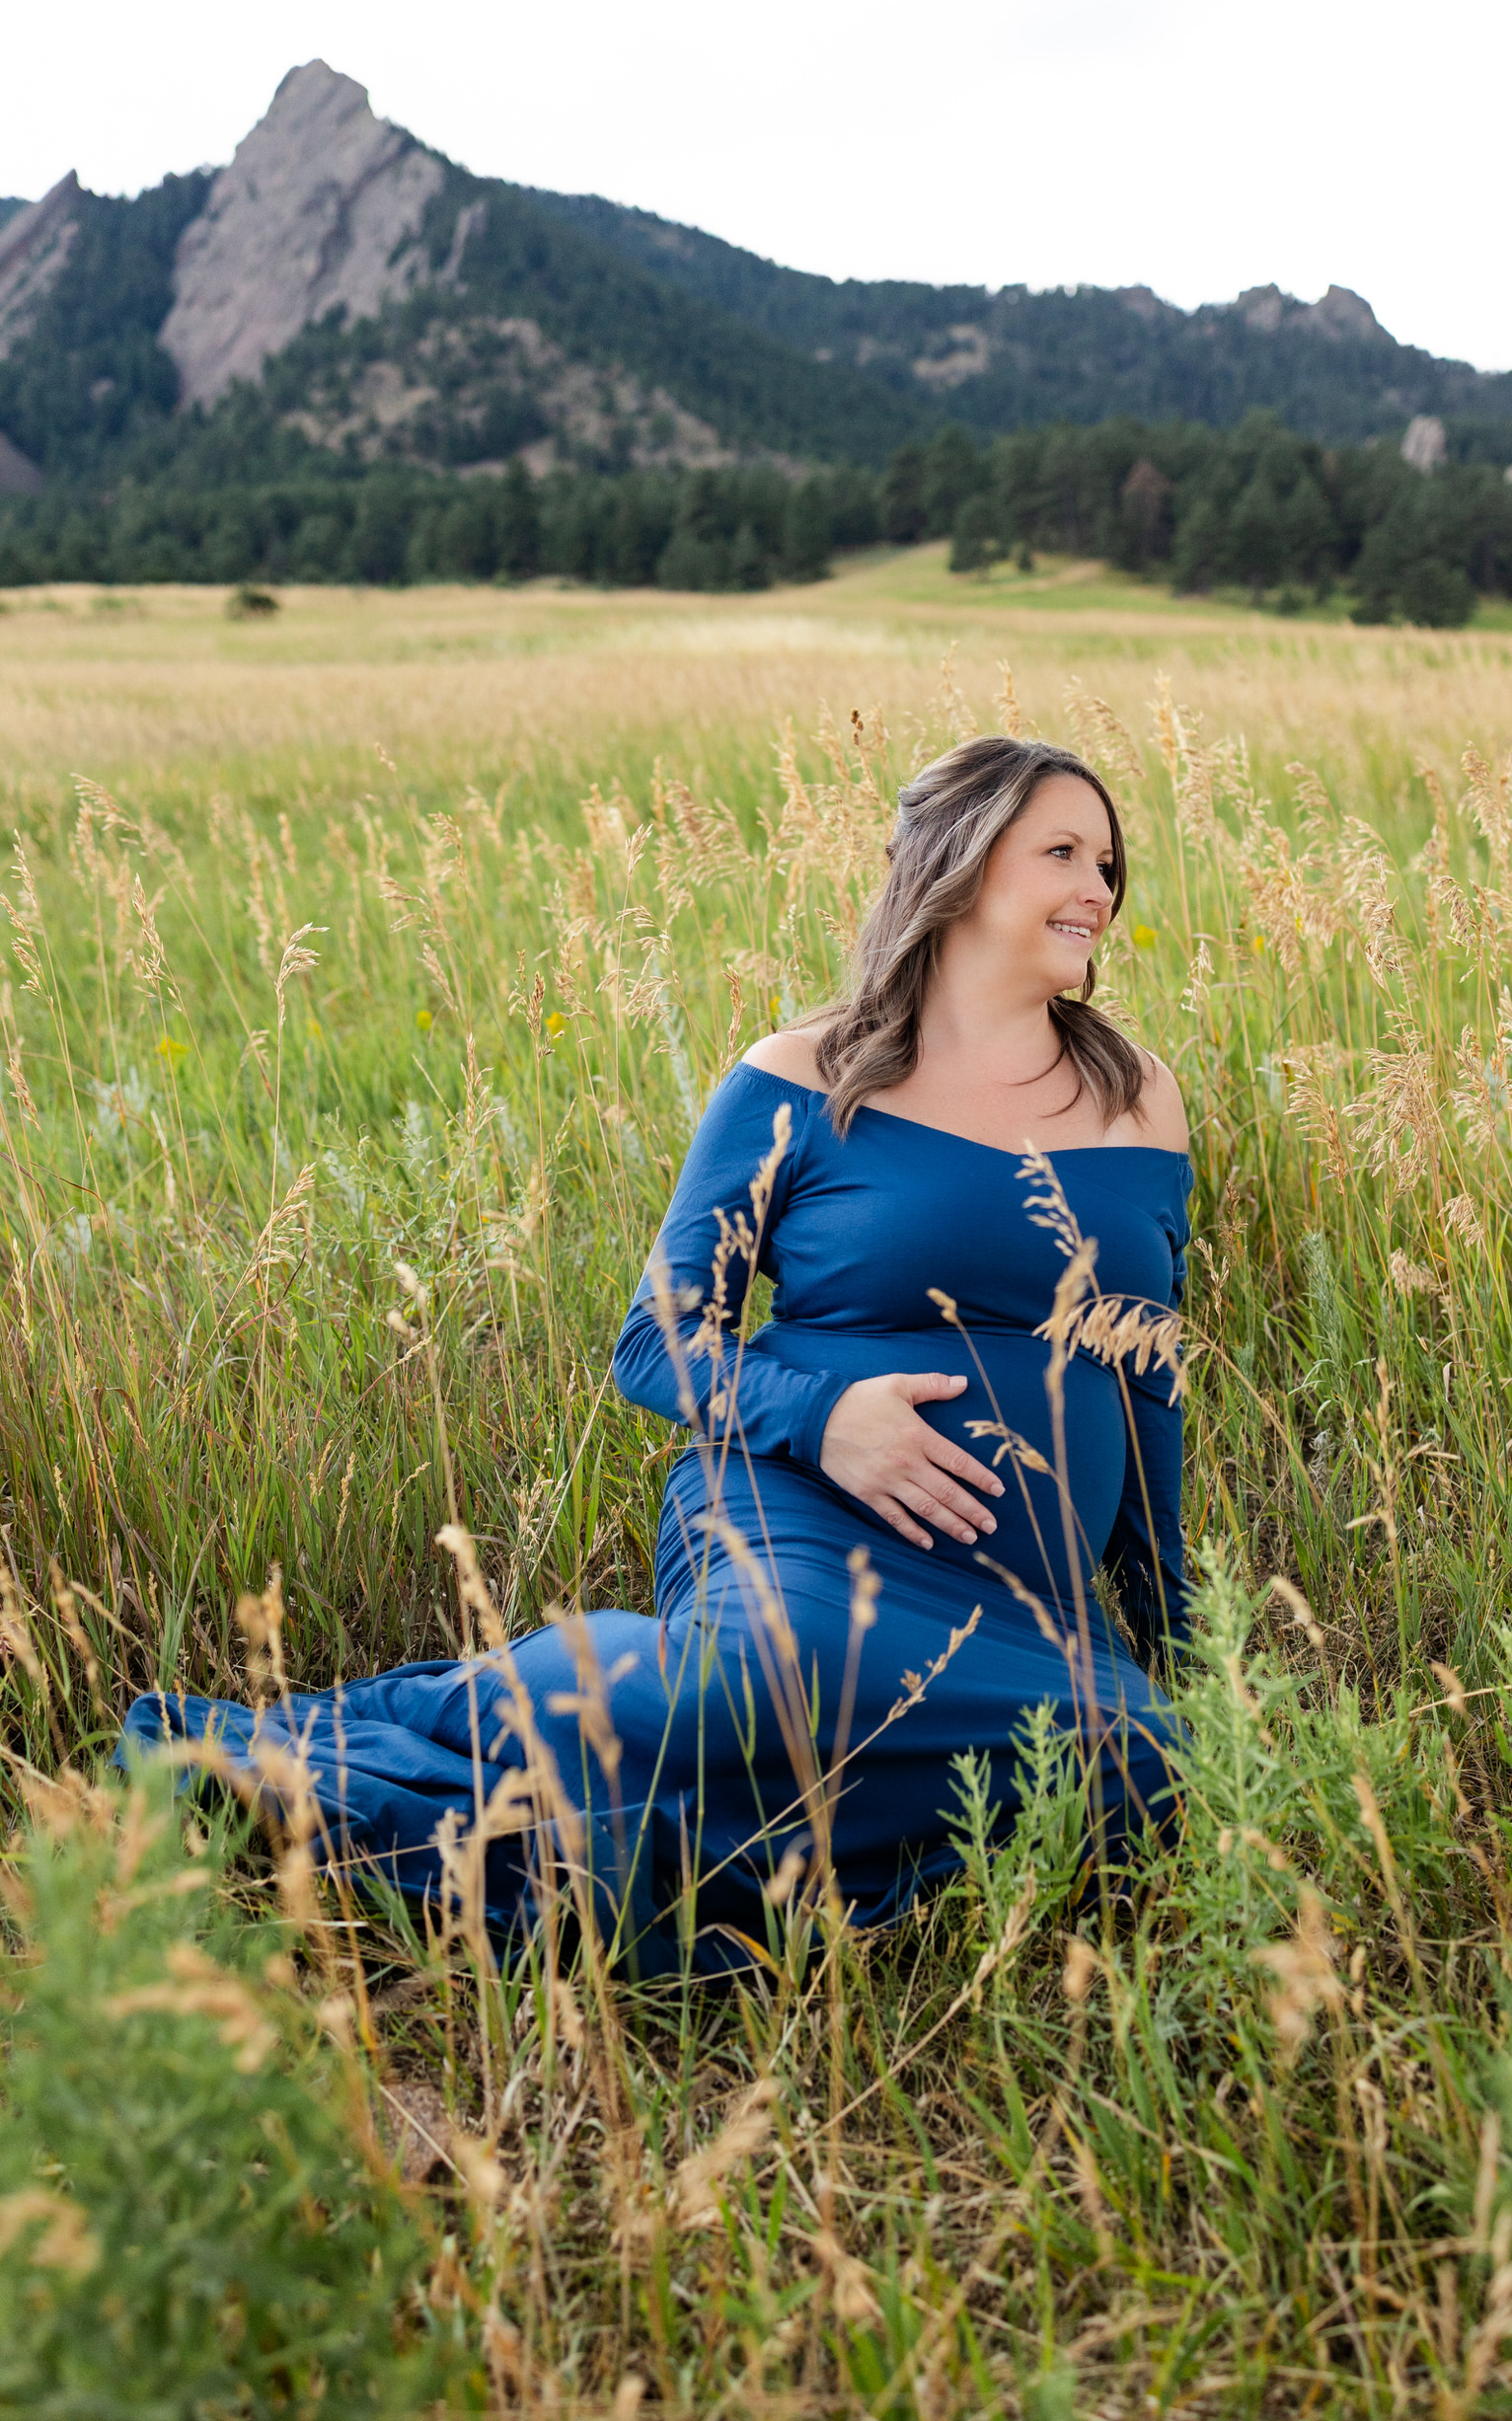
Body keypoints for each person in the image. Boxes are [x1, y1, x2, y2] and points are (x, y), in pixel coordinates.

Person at [123, 736, 1193, 1974]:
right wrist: (828, 1418)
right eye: (1061, 852)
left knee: (1144, 1766)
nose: (1098, 889)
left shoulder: (1136, 1094)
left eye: (1105, 862)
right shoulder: (804, 1077)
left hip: (1024, 1590)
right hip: (808, 1520)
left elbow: (1146, 1383)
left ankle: (640, 1861)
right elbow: (657, 1343)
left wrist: (1176, 1639)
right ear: (957, 865)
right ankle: (376, 1729)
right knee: (755, 1688)